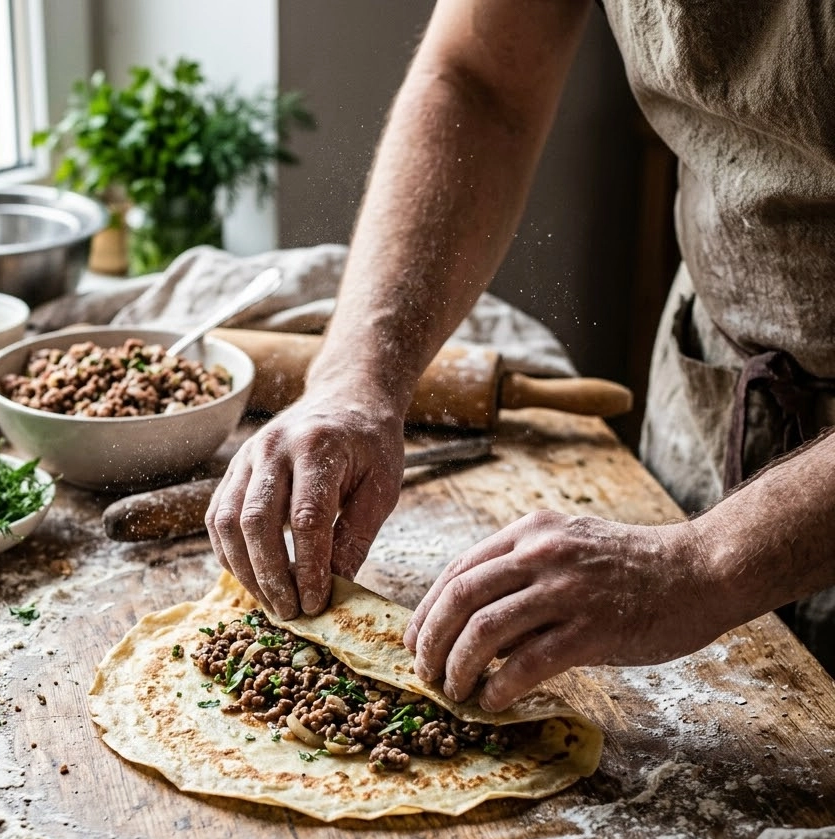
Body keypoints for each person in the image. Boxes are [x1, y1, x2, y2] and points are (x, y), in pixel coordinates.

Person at [205, 0, 835, 713]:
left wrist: (706, 561)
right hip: (723, 367)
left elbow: (696, 568)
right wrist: (354, 379)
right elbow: (480, 80)